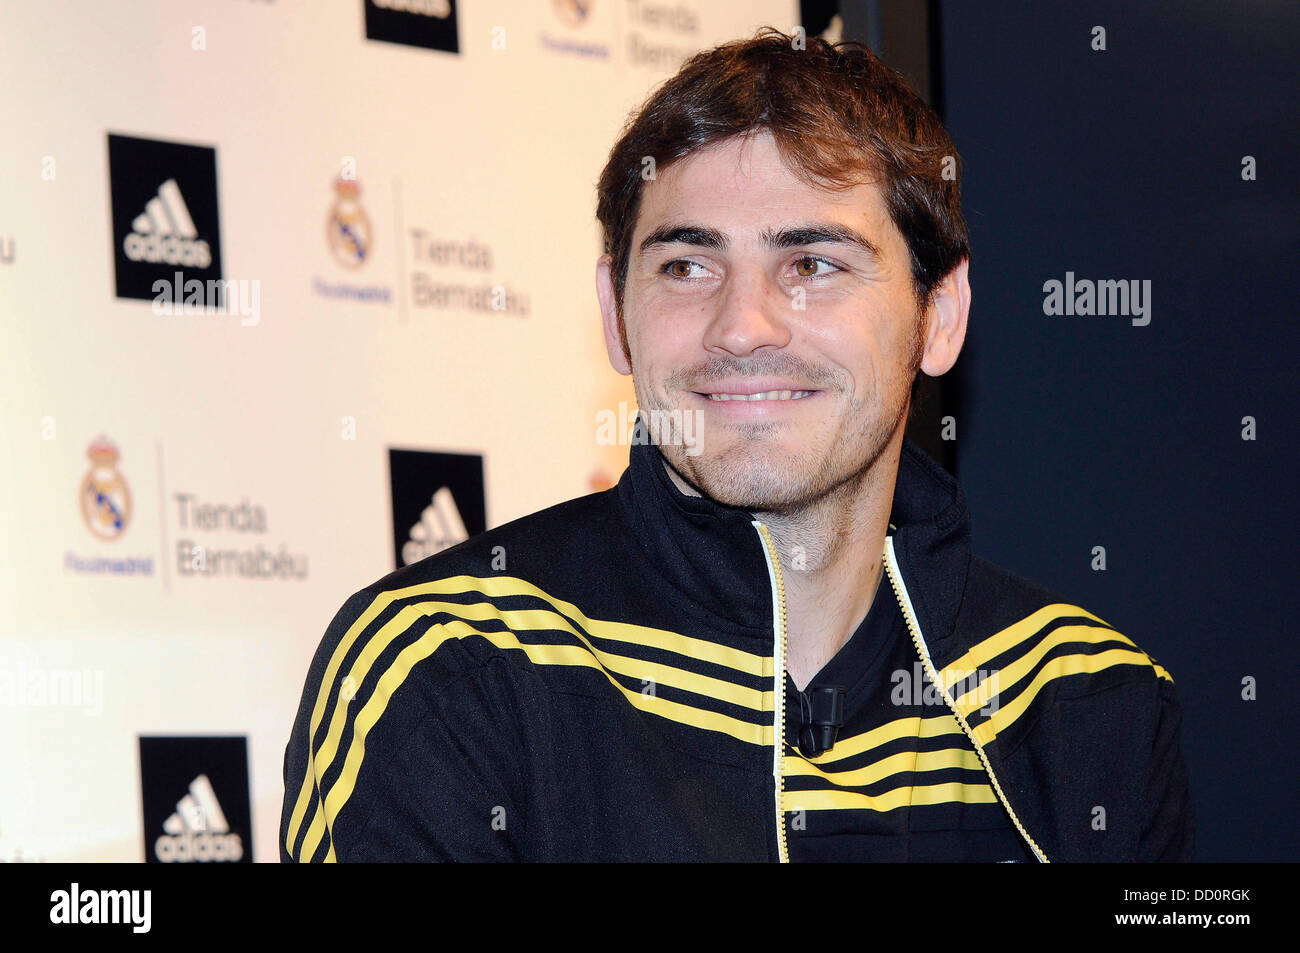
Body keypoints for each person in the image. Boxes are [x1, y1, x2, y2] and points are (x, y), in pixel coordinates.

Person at [281, 28, 1193, 862]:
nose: (742, 324)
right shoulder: (452, 663)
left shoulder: (1085, 697)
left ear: (939, 315)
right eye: (687, 264)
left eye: (813, 264)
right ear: (616, 315)